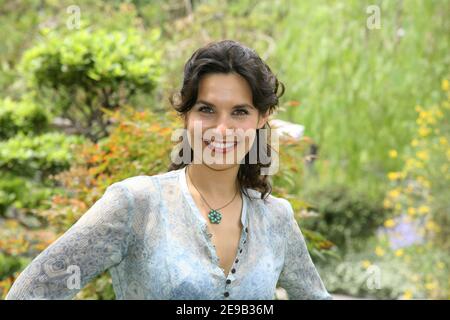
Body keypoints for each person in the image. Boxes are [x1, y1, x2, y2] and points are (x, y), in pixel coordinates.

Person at [5, 40, 332, 300]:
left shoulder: (276, 218)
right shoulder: (136, 204)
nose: (221, 129)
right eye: (207, 109)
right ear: (185, 116)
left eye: (239, 112)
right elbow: (34, 291)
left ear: (261, 119)